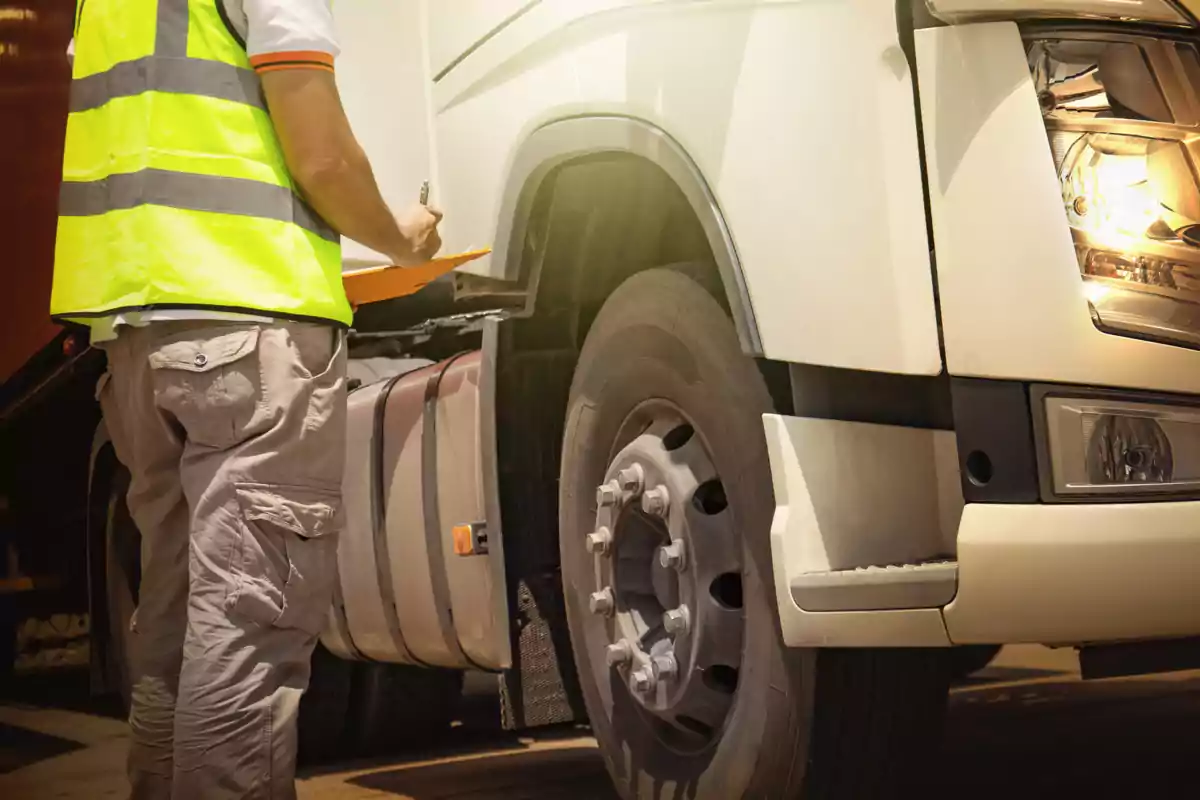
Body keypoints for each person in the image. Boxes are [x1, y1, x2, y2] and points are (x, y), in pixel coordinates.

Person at [51, 1, 441, 797]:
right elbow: (321, 156)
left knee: (175, 617)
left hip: (136, 334)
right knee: (247, 628)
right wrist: (402, 239)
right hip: (246, 330)